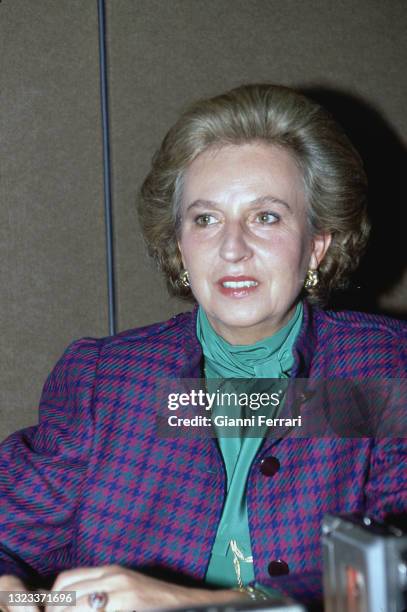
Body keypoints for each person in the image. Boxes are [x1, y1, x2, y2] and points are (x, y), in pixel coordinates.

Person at [0, 84, 405, 612]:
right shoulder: (107, 381)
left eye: (266, 217)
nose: (232, 248)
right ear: (180, 247)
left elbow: (395, 568)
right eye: (206, 219)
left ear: (317, 245)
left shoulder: (381, 371)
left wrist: (201, 602)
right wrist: (16, 592)